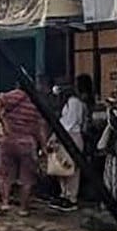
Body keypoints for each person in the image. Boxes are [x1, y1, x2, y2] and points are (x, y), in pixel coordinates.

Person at [0, 87, 47, 216]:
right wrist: (43, 147)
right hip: (27, 143)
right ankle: (23, 208)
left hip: (9, 140)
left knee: (5, 174)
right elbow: (40, 127)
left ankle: (5, 204)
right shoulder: (37, 102)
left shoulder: (15, 95)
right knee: (27, 177)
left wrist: (4, 122)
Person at [49, 84, 88, 212]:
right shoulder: (68, 103)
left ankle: (71, 197)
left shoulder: (74, 102)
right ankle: (64, 193)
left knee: (71, 168)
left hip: (71, 136)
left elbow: (69, 122)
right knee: (62, 167)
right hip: (64, 135)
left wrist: (57, 135)